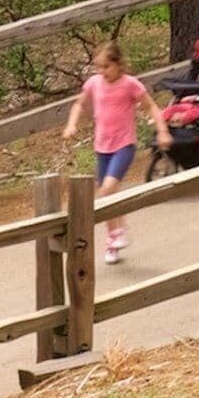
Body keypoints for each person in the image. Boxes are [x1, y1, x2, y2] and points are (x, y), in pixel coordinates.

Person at [58, 41, 149, 262]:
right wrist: (71, 124)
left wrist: (162, 128)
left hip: (124, 145)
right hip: (102, 147)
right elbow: (79, 104)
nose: (102, 71)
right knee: (106, 194)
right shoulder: (94, 84)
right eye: (98, 67)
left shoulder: (130, 84)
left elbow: (150, 105)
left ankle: (119, 232)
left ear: (119, 64)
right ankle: (113, 240)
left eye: (106, 66)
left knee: (108, 189)